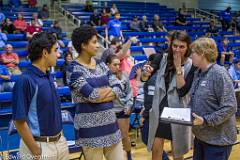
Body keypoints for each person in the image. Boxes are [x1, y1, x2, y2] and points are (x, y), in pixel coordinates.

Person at [67, 25, 124, 160]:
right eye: (94, 42)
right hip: (90, 132)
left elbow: (119, 88)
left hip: (112, 128)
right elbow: (92, 96)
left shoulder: (101, 64)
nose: (98, 45)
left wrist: (100, 93)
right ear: (83, 45)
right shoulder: (73, 69)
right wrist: (109, 92)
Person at [12, 32, 69, 160]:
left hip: (60, 142)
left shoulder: (49, 75)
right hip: (39, 147)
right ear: (44, 53)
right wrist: (36, 150)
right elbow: (19, 121)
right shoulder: (25, 80)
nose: (58, 54)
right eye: (55, 50)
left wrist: (61, 137)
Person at [142, 31, 195, 160]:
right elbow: (145, 77)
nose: (177, 50)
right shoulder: (162, 58)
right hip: (160, 109)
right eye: (175, 46)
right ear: (171, 45)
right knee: (156, 151)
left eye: (181, 47)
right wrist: (146, 73)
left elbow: (182, 91)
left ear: (188, 47)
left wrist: (178, 68)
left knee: (178, 152)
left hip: (178, 110)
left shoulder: (191, 65)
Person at [190, 37, 237, 160]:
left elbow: (230, 107)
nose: (191, 56)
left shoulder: (219, 74)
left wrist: (206, 120)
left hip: (218, 141)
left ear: (202, 54)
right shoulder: (198, 73)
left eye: (193, 52)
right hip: (201, 137)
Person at [140, 54, 169, 160]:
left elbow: (151, 100)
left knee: (147, 137)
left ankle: (165, 158)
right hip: (156, 113)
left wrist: (145, 114)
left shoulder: (154, 78)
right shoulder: (156, 76)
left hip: (153, 115)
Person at [106, 54, 133, 160]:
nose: (118, 67)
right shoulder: (103, 78)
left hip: (122, 111)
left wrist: (128, 105)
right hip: (109, 112)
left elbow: (129, 93)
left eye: (119, 64)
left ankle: (129, 156)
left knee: (124, 136)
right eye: (115, 64)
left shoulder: (124, 76)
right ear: (108, 65)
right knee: (111, 139)